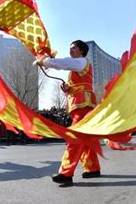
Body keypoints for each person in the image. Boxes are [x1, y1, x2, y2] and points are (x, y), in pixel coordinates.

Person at [34, 40, 100, 187]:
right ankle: (93, 168)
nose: (71, 51)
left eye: (73, 48)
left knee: (74, 138)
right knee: (86, 138)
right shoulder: (78, 66)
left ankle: (66, 173)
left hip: (84, 105)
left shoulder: (81, 62)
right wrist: (67, 89)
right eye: (70, 48)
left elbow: (62, 63)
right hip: (80, 104)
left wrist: (45, 61)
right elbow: (76, 85)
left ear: (81, 50)